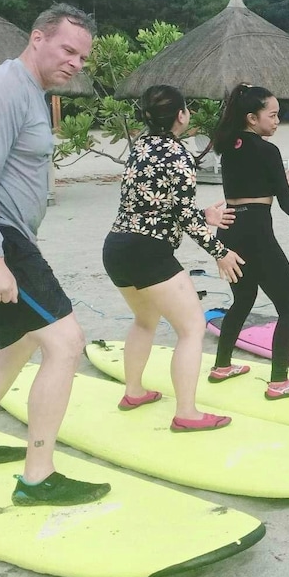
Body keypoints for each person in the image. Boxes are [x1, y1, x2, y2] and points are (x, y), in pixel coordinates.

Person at [0, 3, 111, 506]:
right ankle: (38, 479)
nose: (76, 63)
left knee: (18, 345)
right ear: (37, 38)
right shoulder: (2, 87)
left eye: (82, 56)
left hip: (4, 237)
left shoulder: (32, 93)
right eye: (67, 49)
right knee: (65, 342)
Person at [102, 85, 243, 431]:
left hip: (117, 246)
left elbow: (155, 203)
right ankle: (187, 414)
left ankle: (133, 392)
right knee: (192, 329)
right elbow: (182, 217)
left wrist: (201, 216)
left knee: (145, 321)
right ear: (181, 116)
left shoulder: (141, 147)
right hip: (149, 251)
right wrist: (220, 252)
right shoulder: (180, 156)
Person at [209, 85, 289, 399]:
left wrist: (277, 179)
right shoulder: (268, 151)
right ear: (252, 118)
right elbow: (282, 197)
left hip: (229, 229)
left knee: (243, 299)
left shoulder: (230, 146)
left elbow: (251, 182)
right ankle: (279, 382)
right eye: (272, 114)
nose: (277, 120)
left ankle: (222, 365)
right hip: (256, 231)